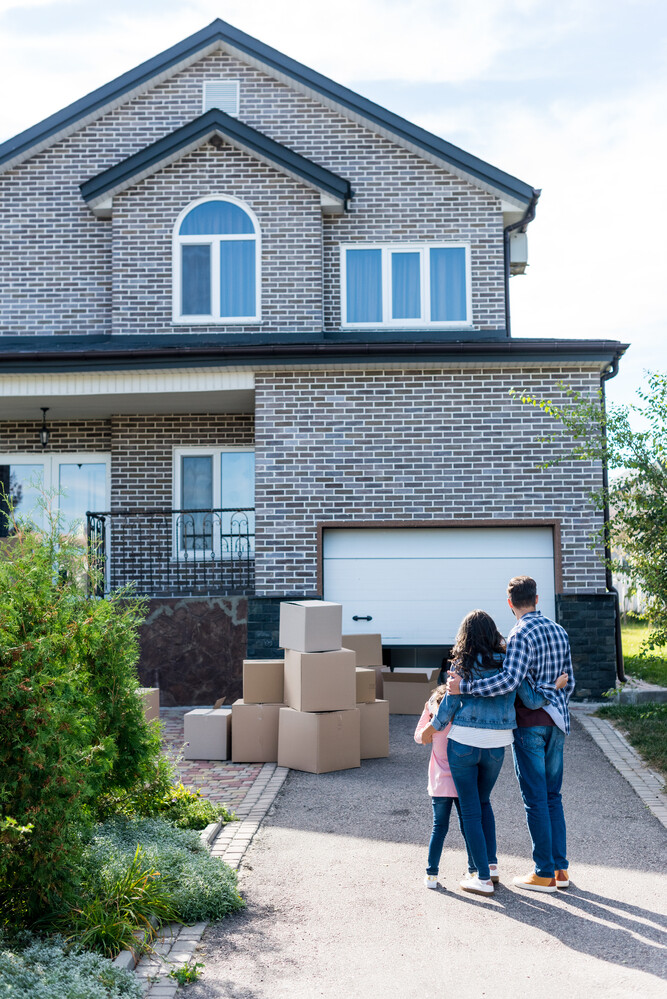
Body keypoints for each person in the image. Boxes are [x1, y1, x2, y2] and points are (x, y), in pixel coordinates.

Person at [446, 576, 575, 894]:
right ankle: (560, 869)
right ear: (537, 598)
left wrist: (465, 686)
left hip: (530, 724)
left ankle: (543, 872)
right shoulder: (559, 631)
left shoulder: (520, 633)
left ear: (510, 603)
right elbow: (568, 682)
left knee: (535, 799)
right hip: (558, 722)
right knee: (553, 797)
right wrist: (552, 692)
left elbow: (507, 682)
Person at [420, 609, 563, 896]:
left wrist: (432, 728)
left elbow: (449, 703)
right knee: (484, 803)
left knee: (471, 811)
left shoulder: (463, 663)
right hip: (497, 745)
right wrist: (554, 687)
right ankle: (492, 865)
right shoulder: (509, 662)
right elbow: (532, 700)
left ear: (465, 635)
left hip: (463, 743)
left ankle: (482, 878)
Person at [414, 687, 476, 889]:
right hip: (461, 780)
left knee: (438, 829)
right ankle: (473, 869)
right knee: (467, 827)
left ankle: (431, 874)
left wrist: (427, 711)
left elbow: (419, 737)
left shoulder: (435, 724)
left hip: (440, 782)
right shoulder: (459, 720)